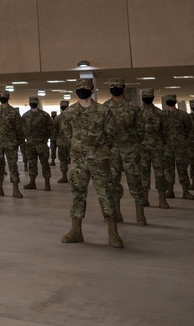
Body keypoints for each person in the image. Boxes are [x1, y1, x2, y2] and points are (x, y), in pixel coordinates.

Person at [59, 78, 123, 248]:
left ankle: (113, 232)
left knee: (105, 194)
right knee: (77, 194)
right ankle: (76, 230)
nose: (82, 89)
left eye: (86, 87)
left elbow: (111, 135)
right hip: (78, 161)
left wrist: (98, 149)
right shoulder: (69, 112)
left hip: (99, 160)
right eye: (79, 87)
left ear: (93, 90)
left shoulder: (104, 111)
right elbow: (67, 135)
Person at [104, 78, 146, 225]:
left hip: (130, 150)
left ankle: (140, 214)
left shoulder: (133, 107)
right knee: (113, 183)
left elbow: (141, 130)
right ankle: (116, 212)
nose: (115, 88)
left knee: (135, 182)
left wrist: (133, 144)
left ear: (123, 87)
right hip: (112, 152)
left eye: (118, 86)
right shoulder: (105, 107)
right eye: (112, 86)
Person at [0, 89, 24, 198]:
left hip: (11, 143)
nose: (3, 98)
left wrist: (20, 142)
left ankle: (15, 189)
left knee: (13, 166)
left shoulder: (14, 112)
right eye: (1, 96)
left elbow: (19, 128)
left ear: (8, 97)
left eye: (5, 96)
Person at [138, 88, 169, 208]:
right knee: (143, 174)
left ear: (152, 97)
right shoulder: (138, 112)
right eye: (145, 95)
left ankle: (162, 199)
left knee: (160, 174)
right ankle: (145, 198)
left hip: (157, 148)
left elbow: (165, 130)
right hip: (142, 148)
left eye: (149, 96)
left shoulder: (159, 113)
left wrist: (165, 145)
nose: (147, 97)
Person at [161, 94, 194, 200]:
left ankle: (186, 191)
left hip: (181, 147)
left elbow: (189, 129)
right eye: (168, 100)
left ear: (175, 101)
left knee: (182, 169)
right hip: (167, 147)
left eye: (172, 100)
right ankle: (170, 191)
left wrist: (184, 141)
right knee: (168, 170)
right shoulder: (162, 115)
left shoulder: (183, 115)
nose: (170, 101)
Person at [22, 97, 53, 191]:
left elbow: (51, 129)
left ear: (38, 103)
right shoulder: (25, 115)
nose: (33, 104)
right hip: (30, 144)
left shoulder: (44, 115)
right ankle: (32, 182)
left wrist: (44, 138)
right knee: (31, 163)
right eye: (31, 102)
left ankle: (47, 184)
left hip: (41, 144)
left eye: (34, 102)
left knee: (45, 164)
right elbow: (22, 128)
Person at [53, 100, 71, 183]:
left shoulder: (58, 118)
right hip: (69, 142)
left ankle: (65, 176)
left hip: (64, 142)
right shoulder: (72, 117)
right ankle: (66, 177)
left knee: (64, 160)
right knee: (66, 160)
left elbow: (54, 131)